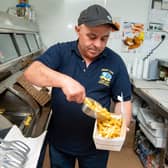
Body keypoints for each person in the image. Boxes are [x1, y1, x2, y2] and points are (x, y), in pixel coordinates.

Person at [24, 4, 132, 168]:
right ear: (77, 30)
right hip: (60, 141)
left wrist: (121, 123)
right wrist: (64, 80)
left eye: (104, 39)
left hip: (96, 146)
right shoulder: (61, 51)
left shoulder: (115, 62)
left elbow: (122, 100)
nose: (97, 44)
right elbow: (32, 72)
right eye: (92, 36)